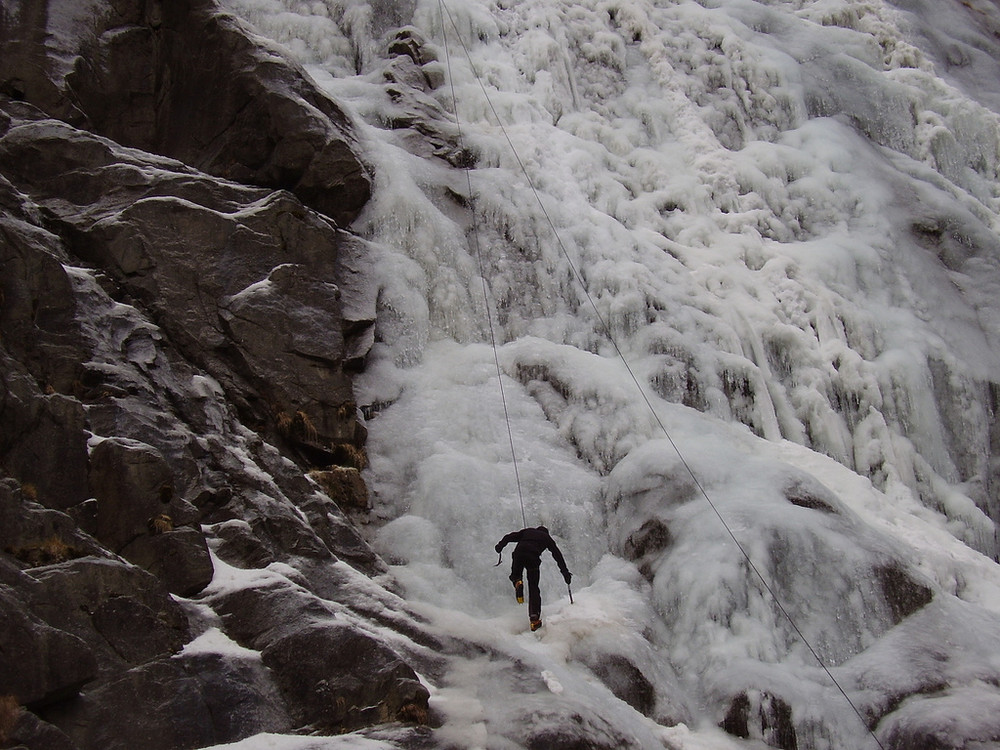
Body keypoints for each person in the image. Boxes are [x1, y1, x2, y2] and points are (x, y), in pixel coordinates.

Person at [495, 525, 571, 631]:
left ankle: (518, 582)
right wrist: (565, 573)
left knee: (516, 575)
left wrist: (500, 546)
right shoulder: (547, 538)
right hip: (533, 557)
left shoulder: (528, 531)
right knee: (533, 588)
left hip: (519, 553)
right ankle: (534, 619)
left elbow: (510, 537)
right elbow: (558, 556)